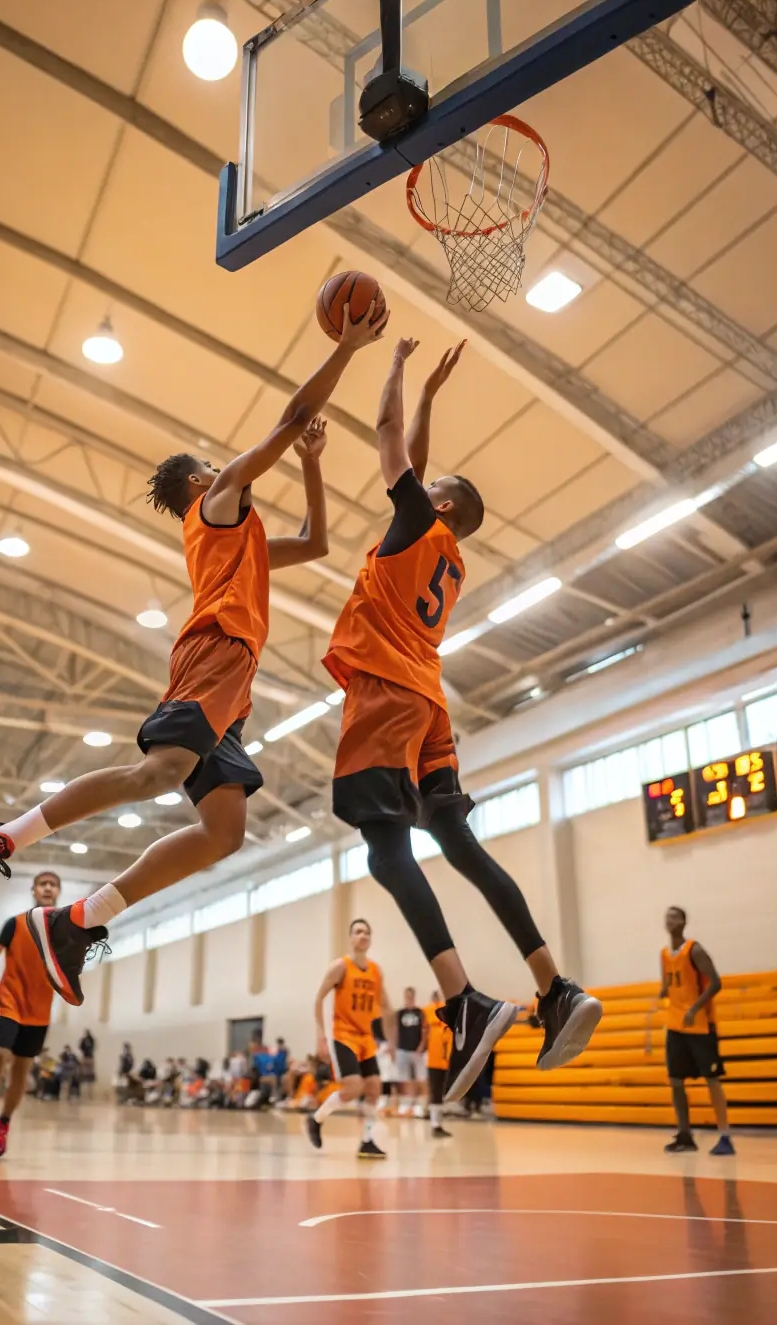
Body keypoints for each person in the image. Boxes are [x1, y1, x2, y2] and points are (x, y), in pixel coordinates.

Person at [0, 303, 387, 1007]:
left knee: (224, 831)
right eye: (215, 465)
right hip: (214, 654)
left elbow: (317, 542)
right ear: (202, 484)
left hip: (232, 684)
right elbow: (293, 414)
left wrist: (313, 466)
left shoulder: (240, 540)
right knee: (159, 773)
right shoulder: (216, 509)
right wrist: (348, 349)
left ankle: (79, 923)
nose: (227, 466)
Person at [323, 337, 602, 1102]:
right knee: (459, 845)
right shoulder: (440, 543)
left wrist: (396, 370)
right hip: (429, 703)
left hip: (385, 692)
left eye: (431, 482)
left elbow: (387, 440)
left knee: (386, 853)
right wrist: (432, 398)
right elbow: (413, 455)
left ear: (438, 502)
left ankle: (465, 1001)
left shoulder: (419, 520)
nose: (420, 477)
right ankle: (555, 988)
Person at [0, 870, 62, 1158]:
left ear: (58, 892)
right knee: (0, 1054)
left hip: (40, 1008)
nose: (47, 888)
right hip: (11, 1000)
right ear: (34, 890)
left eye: (53, 885)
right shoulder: (15, 924)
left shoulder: (64, 928)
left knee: (22, 1070)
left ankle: (4, 1124)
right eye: (43, 884)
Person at [308, 917, 393, 1160]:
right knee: (355, 1087)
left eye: (366, 932)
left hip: (366, 1038)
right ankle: (316, 1119)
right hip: (344, 1035)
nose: (363, 935)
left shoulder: (376, 971)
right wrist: (321, 1036)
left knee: (375, 1087)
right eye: (358, 931)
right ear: (351, 938)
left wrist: (391, 1039)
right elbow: (318, 998)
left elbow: (386, 1004)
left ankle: (367, 1141)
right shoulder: (341, 966)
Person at [660, 906, 734, 1156]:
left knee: (712, 1080)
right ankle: (685, 1134)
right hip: (675, 1025)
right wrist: (663, 993)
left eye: (674, 916)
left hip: (700, 1025)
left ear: (683, 922)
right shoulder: (664, 954)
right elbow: (669, 984)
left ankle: (725, 1136)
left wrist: (694, 1008)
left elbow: (716, 982)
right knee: (675, 1080)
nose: (669, 919)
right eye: (667, 916)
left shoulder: (695, 950)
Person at [424, 989, 453, 1138]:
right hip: (434, 1059)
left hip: (450, 1058)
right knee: (435, 1090)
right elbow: (424, 1032)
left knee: (446, 1090)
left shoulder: (452, 1014)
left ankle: (439, 1120)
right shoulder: (429, 1013)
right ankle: (435, 1124)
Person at [395, 987, 428, 1116]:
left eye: (411, 996)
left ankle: (421, 1105)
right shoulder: (400, 1013)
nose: (409, 999)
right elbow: (395, 1030)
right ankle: (406, 1104)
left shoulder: (420, 1012)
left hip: (417, 1050)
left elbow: (425, 1030)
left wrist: (422, 1045)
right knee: (405, 1079)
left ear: (414, 997)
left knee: (421, 1078)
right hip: (402, 1049)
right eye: (407, 996)